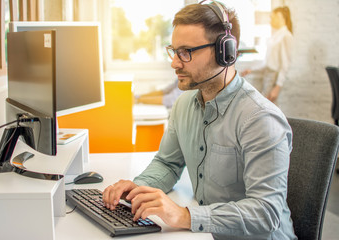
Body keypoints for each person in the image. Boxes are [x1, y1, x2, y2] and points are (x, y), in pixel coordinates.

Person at [103, 1, 297, 239]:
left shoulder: (260, 119)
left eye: (186, 52)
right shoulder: (184, 105)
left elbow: (266, 212)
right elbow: (167, 163)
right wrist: (140, 188)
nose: (175, 62)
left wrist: (185, 216)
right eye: (174, 51)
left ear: (225, 52)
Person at [241, 6, 294, 102]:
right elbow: (268, 62)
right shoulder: (276, 35)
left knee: (267, 106)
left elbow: (285, 64)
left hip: (273, 77)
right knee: (268, 106)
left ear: (281, 18)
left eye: (272, 17)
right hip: (268, 75)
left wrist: (277, 87)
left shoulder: (286, 36)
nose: (270, 20)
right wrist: (251, 70)